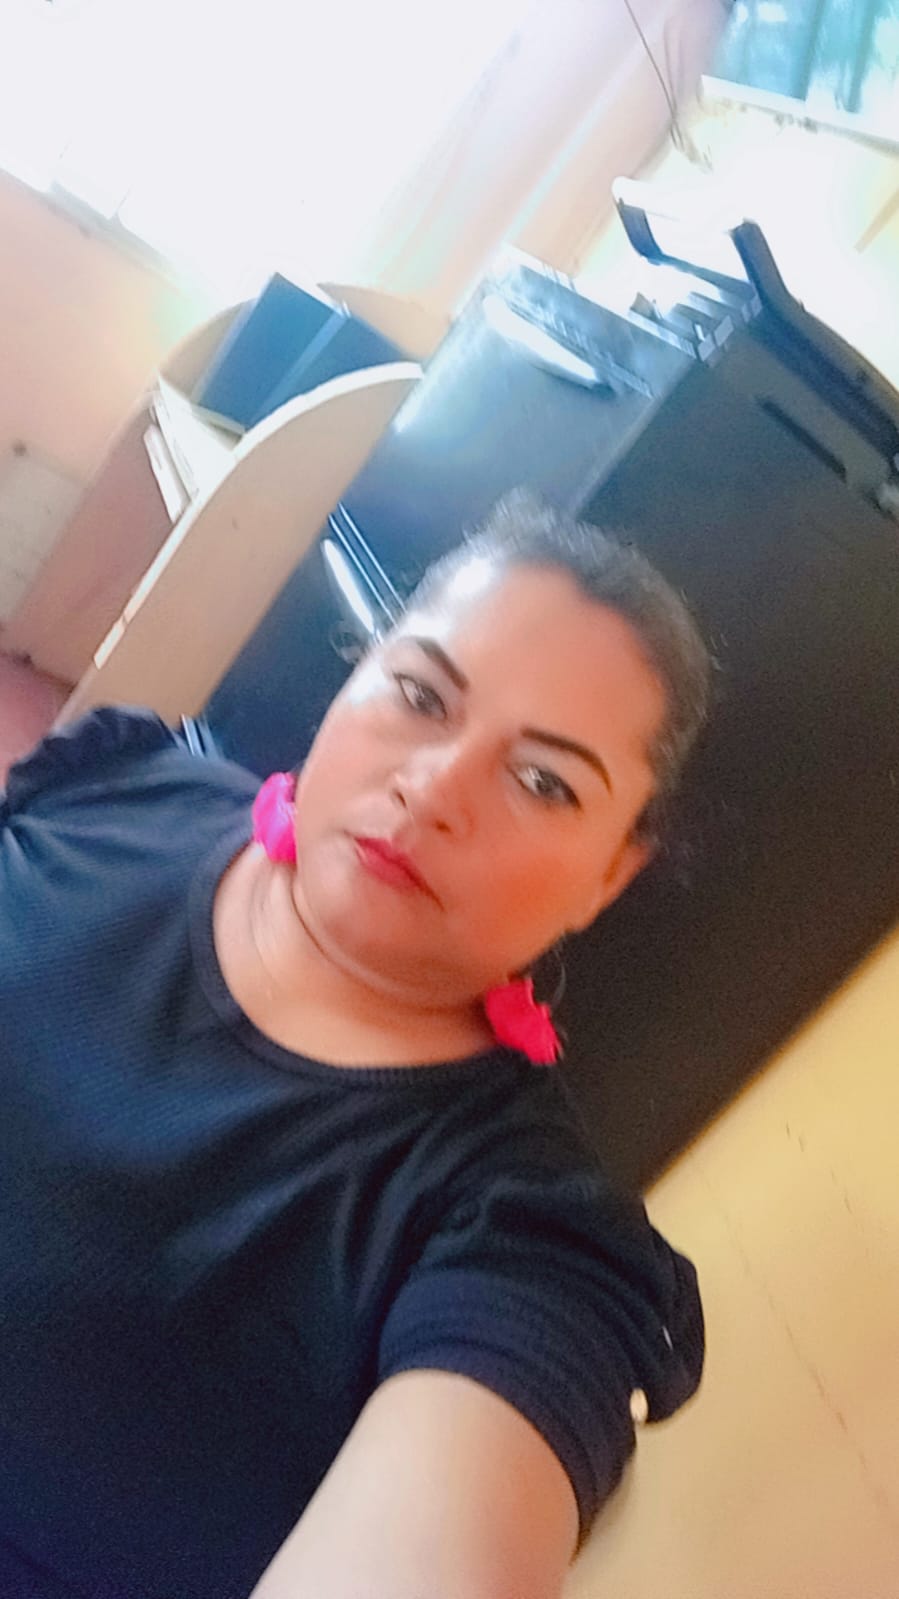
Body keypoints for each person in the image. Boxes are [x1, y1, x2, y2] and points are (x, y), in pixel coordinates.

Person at [0, 491, 711, 1599]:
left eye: (542, 781)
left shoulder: (522, 1240)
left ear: (609, 876)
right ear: (358, 667)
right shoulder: (125, 785)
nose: (432, 790)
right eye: (421, 695)